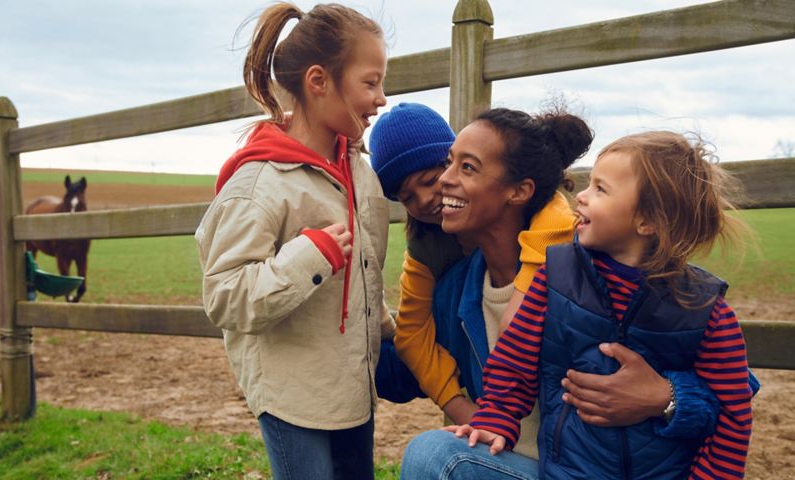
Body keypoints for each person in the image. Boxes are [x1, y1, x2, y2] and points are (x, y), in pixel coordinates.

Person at [373, 105, 726, 469]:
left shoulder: (597, 271)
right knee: (435, 452)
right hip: (516, 463)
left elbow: (724, 396)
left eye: (464, 167)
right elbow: (408, 354)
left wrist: (665, 397)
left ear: (519, 191)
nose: (439, 187)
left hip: (607, 470)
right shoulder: (450, 291)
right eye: (446, 164)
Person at [443, 131, 755, 479]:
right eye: (589, 184)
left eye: (601, 189)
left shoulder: (706, 311)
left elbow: (732, 415)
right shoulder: (556, 278)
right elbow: (513, 357)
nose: (581, 196)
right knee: (436, 453)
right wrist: (496, 417)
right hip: (569, 473)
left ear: (647, 221)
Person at [195, 3, 388, 479]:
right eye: (370, 82)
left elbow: (366, 274)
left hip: (351, 390)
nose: (382, 97)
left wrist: (388, 333)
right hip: (291, 397)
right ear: (319, 81)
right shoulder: (260, 185)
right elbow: (224, 295)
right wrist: (308, 258)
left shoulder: (361, 176)